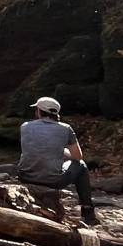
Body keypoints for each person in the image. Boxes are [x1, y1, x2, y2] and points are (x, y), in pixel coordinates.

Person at [18, 95, 97, 226]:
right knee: (81, 166)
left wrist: (57, 152)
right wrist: (62, 153)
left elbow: (35, 148)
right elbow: (78, 157)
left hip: (25, 176)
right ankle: (88, 212)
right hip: (52, 180)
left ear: (38, 111)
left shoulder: (25, 126)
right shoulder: (65, 129)